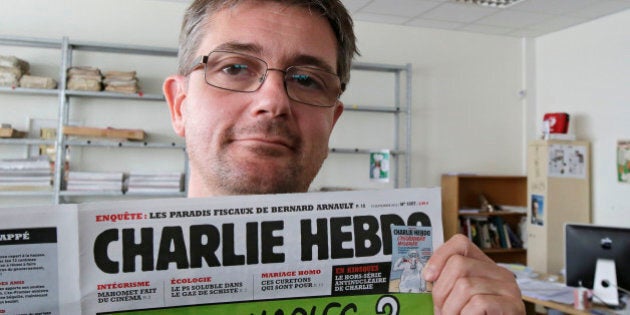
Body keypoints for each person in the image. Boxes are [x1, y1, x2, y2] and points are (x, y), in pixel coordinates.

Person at [163, 0, 525, 313]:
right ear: (180, 106)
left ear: (332, 121)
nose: (273, 102)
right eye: (235, 67)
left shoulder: (417, 290)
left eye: (306, 79)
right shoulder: (106, 288)